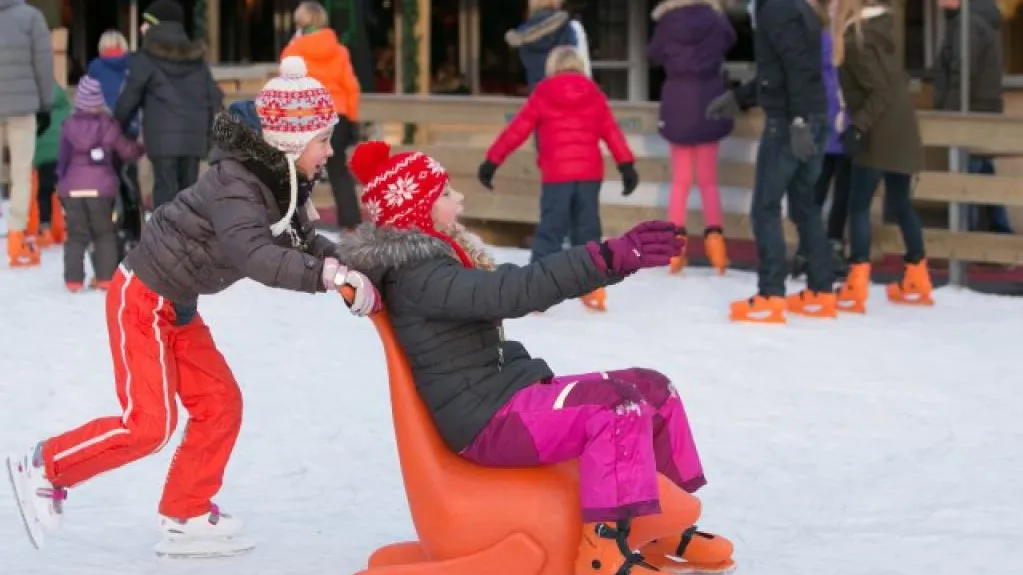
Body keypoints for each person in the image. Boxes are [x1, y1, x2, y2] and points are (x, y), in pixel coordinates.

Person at [6, 57, 379, 557]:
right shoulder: (239, 184)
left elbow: (302, 238)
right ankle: (44, 467)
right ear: (292, 143)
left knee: (220, 403)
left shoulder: (278, 180)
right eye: (323, 141)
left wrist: (348, 265)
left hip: (177, 305)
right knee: (148, 425)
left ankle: (186, 510)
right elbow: (256, 255)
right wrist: (327, 278)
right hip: (142, 299)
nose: (329, 152)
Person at [337, 140, 735, 575]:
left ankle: (656, 528)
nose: (459, 198)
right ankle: (603, 552)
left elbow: (508, 285)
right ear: (417, 211)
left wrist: (613, 262)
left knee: (654, 388)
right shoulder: (422, 277)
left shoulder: (439, 267)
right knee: (617, 407)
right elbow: (513, 292)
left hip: (504, 394)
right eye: (446, 194)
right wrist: (605, 257)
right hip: (487, 420)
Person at [478, 46, 637, 312]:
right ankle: (593, 288)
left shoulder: (543, 93)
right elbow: (612, 132)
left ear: (552, 67)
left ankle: (534, 291)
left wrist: (492, 161)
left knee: (551, 230)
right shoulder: (594, 94)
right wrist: (626, 165)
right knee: (587, 231)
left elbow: (517, 129)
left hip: (557, 176)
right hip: (588, 175)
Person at [706, 0, 836, 323]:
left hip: (790, 123)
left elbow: (797, 66)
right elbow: (776, 72)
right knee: (804, 204)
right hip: (811, 117)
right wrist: (739, 97)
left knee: (765, 206)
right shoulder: (795, 6)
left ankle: (771, 294)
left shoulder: (774, 8)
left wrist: (799, 121)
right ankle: (821, 290)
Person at [831, 0, 932, 312]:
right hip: (901, 127)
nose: (830, 5)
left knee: (858, 205)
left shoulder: (855, 39)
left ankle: (857, 281)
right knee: (901, 203)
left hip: (880, 131)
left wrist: (858, 127)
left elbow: (880, 90)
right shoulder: (881, 30)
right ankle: (918, 276)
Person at [648, 0, 736, 275]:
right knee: (708, 181)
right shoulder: (714, 17)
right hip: (710, 97)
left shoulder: (667, 21)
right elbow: (731, 40)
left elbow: (654, 55)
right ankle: (717, 247)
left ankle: (674, 251)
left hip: (677, 99)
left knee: (680, 181)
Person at [114, 0, 223, 210]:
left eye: (146, 22)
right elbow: (214, 98)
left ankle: (167, 241)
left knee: (165, 194)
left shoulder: (146, 59)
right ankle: (188, 240)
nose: (141, 28)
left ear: (156, 25)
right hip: (194, 139)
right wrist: (208, 137)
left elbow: (129, 99)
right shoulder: (197, 60)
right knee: (189, 195)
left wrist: (115, 126)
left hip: (162, 141)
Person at [55, 75, 145, 292]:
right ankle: (105, 278)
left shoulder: (68, 126)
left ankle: (73, 281)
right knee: (104, 232)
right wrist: (140, 148)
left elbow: (63, 158)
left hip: (72, 189)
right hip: (101, 188)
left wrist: (62, 181)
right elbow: (126, 151)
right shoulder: (108, 125)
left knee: (76, 235)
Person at [282, 0, 363, 231]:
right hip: (338, 114)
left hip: (309, 116)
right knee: (338, 170)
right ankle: (351, 224)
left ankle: (294, 221)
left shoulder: (293, 51)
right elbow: (351, 87)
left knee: (299, 170)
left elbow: (287, 86)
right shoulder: (339, 50)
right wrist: (353, 119)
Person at [933, 0, 1012, 234]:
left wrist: (948, 115)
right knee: (983, 176)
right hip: (981, 109)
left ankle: (964, 240)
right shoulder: (972, 20)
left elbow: (963, 73)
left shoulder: (967, 23)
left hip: (971, 112)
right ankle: (998, 234)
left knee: (965, 181)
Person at [792, 23, 852, 280]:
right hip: (837, 125)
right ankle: (827, 244)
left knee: (822, 190)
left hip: (831, 125)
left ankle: (812, 246)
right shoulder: (840, 39)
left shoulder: (820, 39)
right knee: (835, 192)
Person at [0, 0, 54, 267]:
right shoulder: (31, 17)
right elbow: (43, 62)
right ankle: (16, 239)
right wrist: (45, 104)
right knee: (21, 172)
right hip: (22, 107)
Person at [505, 0, 579, 93]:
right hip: (563, 91)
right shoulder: (565, 28)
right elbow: (574, 58)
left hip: (537, 93)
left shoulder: (522, 34)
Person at [33, 81, 72, 248]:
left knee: (44, 193)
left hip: (44, 158)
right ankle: (69, 228)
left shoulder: (36, 108)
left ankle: (45, 229)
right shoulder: (66, 108)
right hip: (65, 156)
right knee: (66, 194)